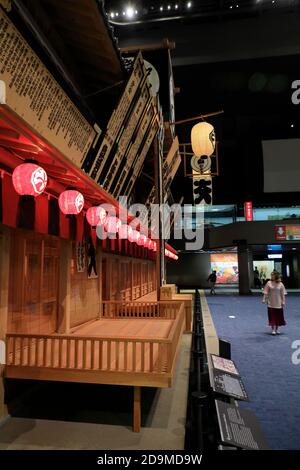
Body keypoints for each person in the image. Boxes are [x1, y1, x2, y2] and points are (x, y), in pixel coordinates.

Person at [262, 271, 287, 335]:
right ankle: (273, 330)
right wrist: (264, 299)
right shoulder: (268, 283)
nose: (271, 276)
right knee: (272, 316)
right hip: (271, 303)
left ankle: (277, 329)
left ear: (276, 276)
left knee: (278, 317)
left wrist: (283, 301)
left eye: (272, 275)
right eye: (271, 275)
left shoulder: (281, 284)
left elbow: (283, 294)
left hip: (279, 303)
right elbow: (265, 292)